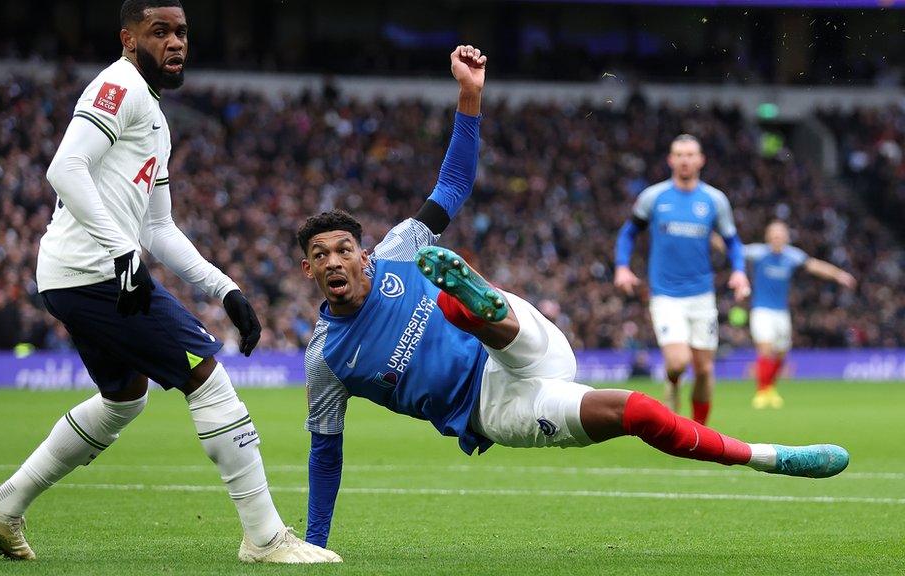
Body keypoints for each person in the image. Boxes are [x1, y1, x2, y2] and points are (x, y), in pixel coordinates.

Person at [296, 45, 848, 553]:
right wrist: (315, 543)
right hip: (493, 409)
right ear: (308, 271)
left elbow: (454, 186)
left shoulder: (397, 248)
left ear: (364, 254)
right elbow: (326, 453)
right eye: (320, 256)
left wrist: (470, 96)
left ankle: (469, 303)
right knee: (633, 409)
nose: (334, 261)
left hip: (525, 346)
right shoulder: (325, 358)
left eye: (344, 248)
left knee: (486, 316)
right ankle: (768, 457)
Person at [0, 1, 339, 564]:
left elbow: (158, 227)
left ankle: (4, 505)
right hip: (93, 272)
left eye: (181, 32)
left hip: (78, 273)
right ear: (128, 38)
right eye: (158, 31)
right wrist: (121, 254)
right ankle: (265, 538)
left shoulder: (156, 117)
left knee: (123, 398)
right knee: (207, 378)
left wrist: (225, 288)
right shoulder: (119, 87)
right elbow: (64, 168)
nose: (174, 42)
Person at [613, 134, 751, 424]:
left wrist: (739, 271)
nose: (685, 159)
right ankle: (673, 383)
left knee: (703, 369)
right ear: (670, 160)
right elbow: (628, 233)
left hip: (701, 294)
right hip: (665, 294)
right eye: (679, 154)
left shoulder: (714, 200)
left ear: (700, 160)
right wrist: (622, 266)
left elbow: (733, 241)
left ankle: (699, 431)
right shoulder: (654, 197)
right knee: (677, 362)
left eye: (690, 154)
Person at [744, 221, 856, 408]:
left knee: (781, 352)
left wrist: (839, 275)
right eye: (773, 234)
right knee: (765, 348)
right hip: (761, 309)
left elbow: (815, 265)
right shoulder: (757, 252)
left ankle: (770, 388)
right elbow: (731, 248)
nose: (777, 238)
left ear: (786, 237)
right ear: (767, 237)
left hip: (781, 312)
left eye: (780, 235)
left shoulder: (792, 256)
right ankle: (762, 391)